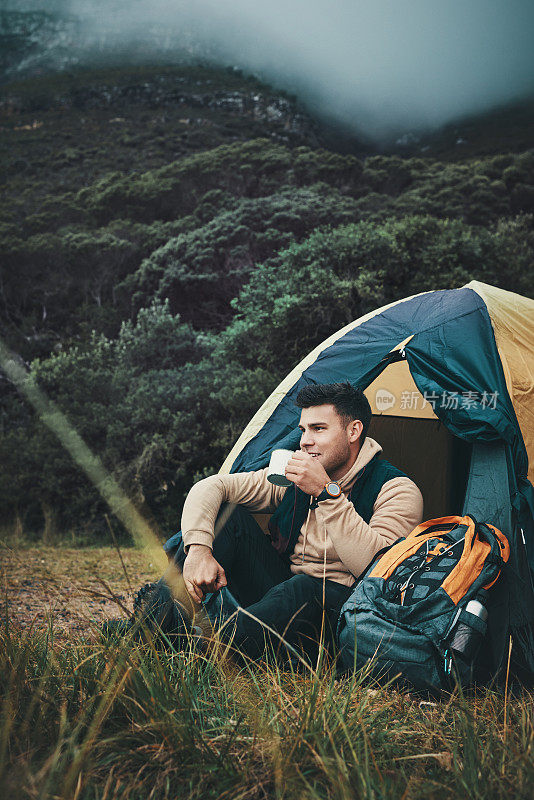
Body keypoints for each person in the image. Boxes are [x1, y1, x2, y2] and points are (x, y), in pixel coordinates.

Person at [133, 382, 424, 665]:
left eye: (318, 429)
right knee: (229, 518)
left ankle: (201, 651)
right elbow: (211, 487)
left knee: (305, 587)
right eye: (303, 430)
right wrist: (198, 550)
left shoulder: (396, 489)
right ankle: (147, 633)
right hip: (279, 593)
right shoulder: (293, 477)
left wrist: (326, 493)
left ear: (353, 431)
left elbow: (380, 572)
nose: (305, 441)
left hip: (339, 617)